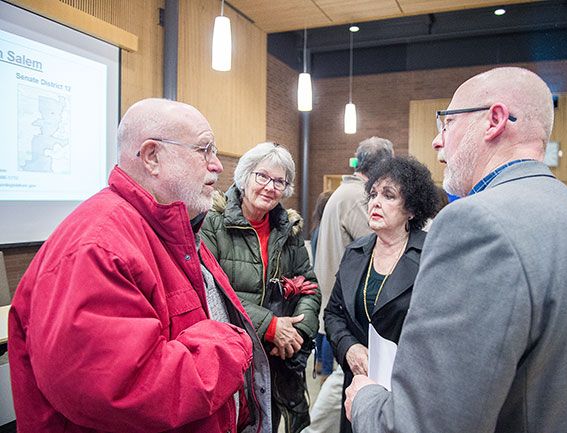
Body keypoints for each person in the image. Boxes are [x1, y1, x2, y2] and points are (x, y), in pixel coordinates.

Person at [344, 67, 567, 432]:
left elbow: (424, 424)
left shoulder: (475, 224)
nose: (437, 141)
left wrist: (367, 400)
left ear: (494, 120)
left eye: (446, 123)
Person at [8, 98, 271, 433]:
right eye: (204, 150)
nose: (217, 165)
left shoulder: (169, 229)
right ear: (152, 157)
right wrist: (232, 344)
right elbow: (123, 389)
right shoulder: (98, 248)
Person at [200, 142, 320, 433]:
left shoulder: (287, 230)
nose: (270, 187)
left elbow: (310, 286)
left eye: (280, 181)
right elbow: (213, 290)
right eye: (262, 176)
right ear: (244, 176)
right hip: (233, 358)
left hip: (280, 360)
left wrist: (295, 335)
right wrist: (270, 325)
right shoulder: (212, 223)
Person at [324, 155, 439, 433]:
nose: (375, 202)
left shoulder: (432, 254)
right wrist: (349, 347)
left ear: (411, 209)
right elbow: (333, 314)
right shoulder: (356, 252)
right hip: (359, 386)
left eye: (388, 196)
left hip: (409, 391)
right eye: (373, 194)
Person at [305, 136, 394, 433]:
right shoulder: (358, 196)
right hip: (345, 309)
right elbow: (374, 241)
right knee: (342, 381)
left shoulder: (341, 192)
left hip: (333, 301)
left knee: (336, 380)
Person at [310, 190, 335, 379]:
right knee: (327, 330)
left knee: (320, 326)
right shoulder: (327, 230)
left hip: (318, 277)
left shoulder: (316, 229)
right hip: (328, 278)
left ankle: (318, 364)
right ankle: (326, 371)